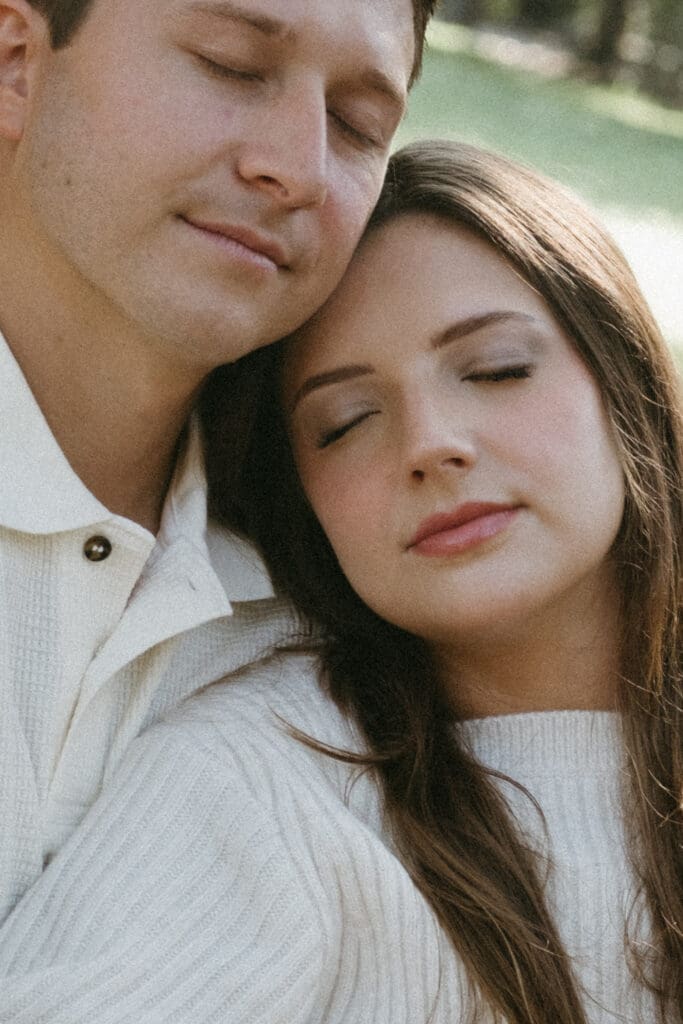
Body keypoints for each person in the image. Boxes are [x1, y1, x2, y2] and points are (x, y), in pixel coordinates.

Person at [0, 139, 679, 1022]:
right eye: (345, 422)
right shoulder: (252, 793)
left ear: (620, 376)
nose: (432, 444)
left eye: (496, 369)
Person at [0, 0, 434, 925]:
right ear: (15, 62)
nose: (297, 169)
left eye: (357, 125)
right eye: (231, 65)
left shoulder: (351, 604)